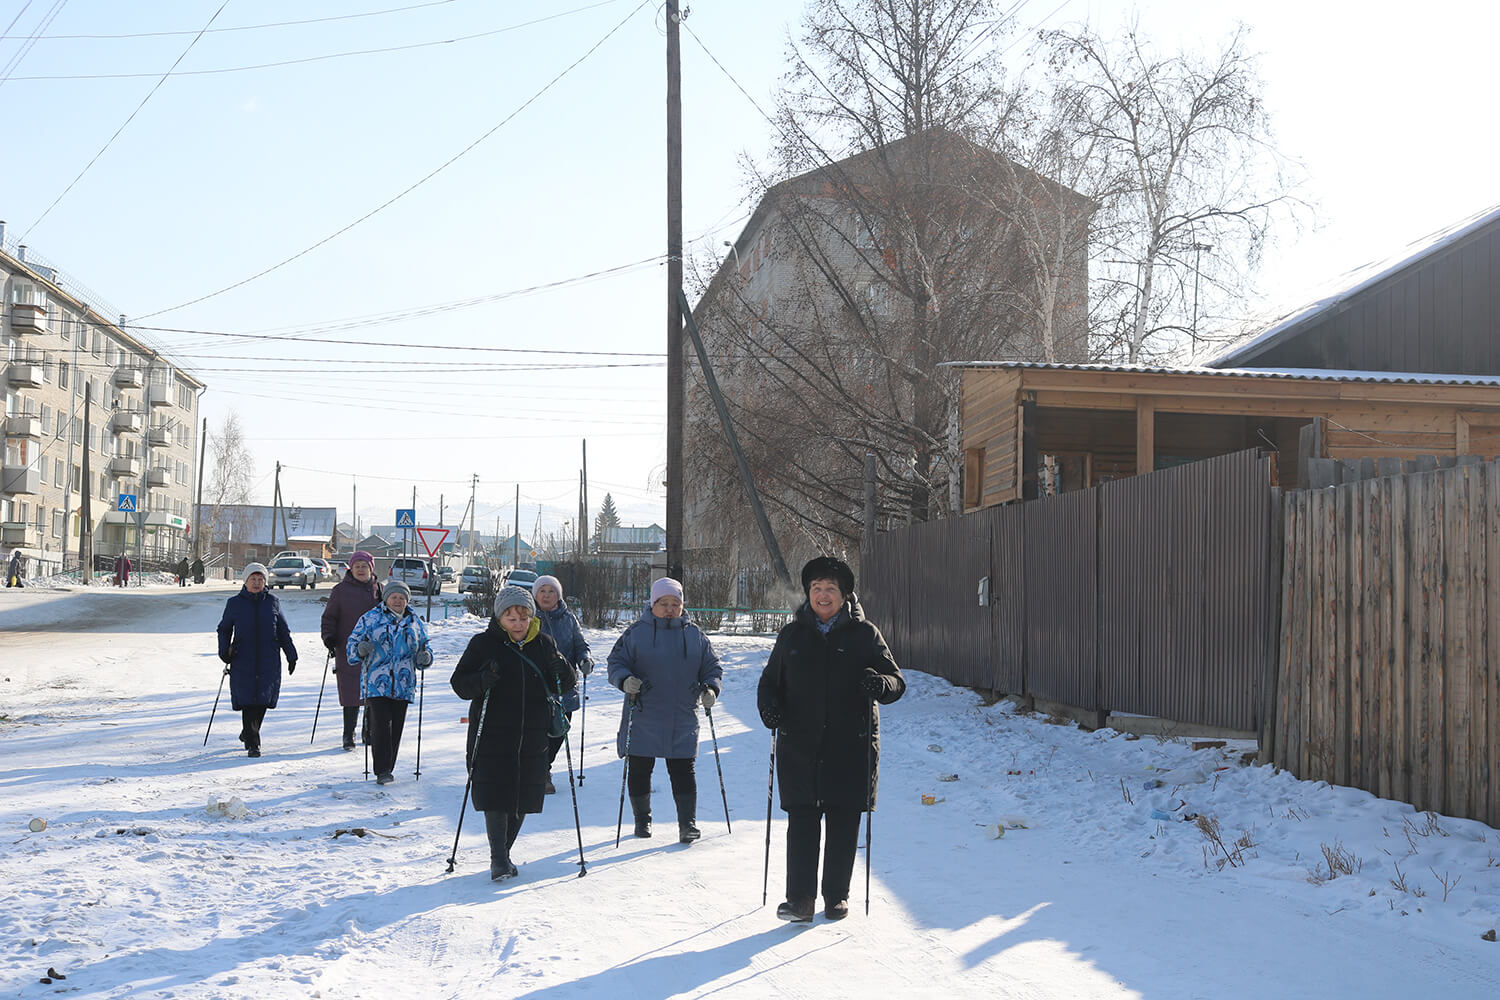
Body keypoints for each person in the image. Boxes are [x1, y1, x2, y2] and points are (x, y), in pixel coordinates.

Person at [757, 556, 905, 923]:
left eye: (831, 589)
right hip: (801, 746)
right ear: (808, 594)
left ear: (844, 595)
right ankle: (800, 901)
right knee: (803, 823)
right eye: (817, 589)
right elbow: (768, 684)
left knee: (843, 823)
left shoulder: (865, 634)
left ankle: (836, 897)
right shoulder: (792, 635)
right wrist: (770, 709)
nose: (823, 595)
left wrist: (880, 684)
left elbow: (896, 681)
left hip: (849, 747)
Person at [450, 585, 576, 881]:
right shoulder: (483, 644)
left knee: (523, 796)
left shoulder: (543, 644)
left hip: (533, 734)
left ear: (532, 617)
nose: (518, 624)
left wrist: (562, 669)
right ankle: (499, 859)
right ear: (499, 618)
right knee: (496, 794)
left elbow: (564, 684)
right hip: (492, 732)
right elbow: (460, 684)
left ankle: (503, 854)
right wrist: (483, 678)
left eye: (523, 618)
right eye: (511, 618)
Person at [607, 577, 722, 844]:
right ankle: (642, 820)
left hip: (682, 714)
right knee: (639, 768)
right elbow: (616, 662)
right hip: (644, 711)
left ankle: (687, 823)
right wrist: (624, 680)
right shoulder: (636, 633)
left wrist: (711, 689)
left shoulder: (695, 636)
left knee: (683, 770)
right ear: (653, 604)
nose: (670, 608)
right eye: (664, 603)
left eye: (675, 603)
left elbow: (712, 667)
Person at [346, 580, 431, 785]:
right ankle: (382, 770)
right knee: (381, 724)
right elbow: (352, 646)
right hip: (377, 681)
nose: (398, 601)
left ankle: (389, 766)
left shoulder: (414, 622)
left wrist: (426, 657)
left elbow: (425, 646)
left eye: (402, 598)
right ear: (386, 598)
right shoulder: (370, 618)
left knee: (397, 726)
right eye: (394, 597)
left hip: (403, 682)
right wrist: (360, 649)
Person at [216, 562, 299, 757]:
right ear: (245, 582)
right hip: (242, 657)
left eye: (260, 579)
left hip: (268, 658)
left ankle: (248, 732)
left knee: (263, 699)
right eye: (253, 579)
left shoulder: (273, 602)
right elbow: (224, 628)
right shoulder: (234, 603)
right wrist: (224, 651)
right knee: (247, 700)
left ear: (265, 582)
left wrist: (291, 655)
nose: (256, 582)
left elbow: (283, 630)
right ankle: (253, 743)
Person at [532, 574, 591, 793]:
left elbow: (580, 645)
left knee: (559, 730)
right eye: (542, 591)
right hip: (537, 686)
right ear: (535, 594)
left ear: (559, 595)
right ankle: (540, 772)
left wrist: (585, 659)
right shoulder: (527, 618)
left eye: (551, 591)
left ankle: (544, 766)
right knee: (538, 732)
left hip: (564, 686)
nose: (547, 596)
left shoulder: (569, 619)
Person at [320, 550, 383, 751]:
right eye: (357, 566)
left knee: (373, 690)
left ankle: (369, 731)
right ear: (351, 569)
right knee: (350, 692)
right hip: (348, 649)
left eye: (364, 566)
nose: (361, 570)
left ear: (371, 569)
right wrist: (329, 638)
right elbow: (329, 617)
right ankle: (349, 734)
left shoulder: (379, 589)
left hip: (376, 649)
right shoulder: (340, 590)